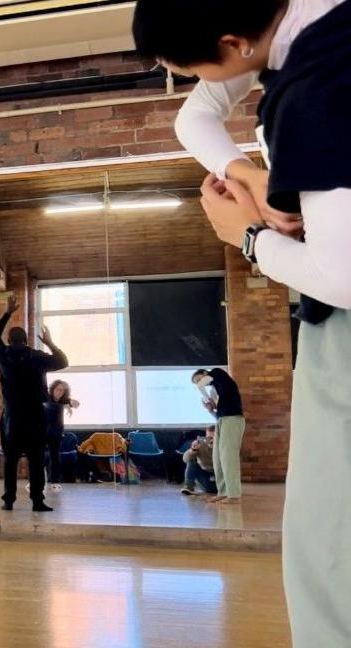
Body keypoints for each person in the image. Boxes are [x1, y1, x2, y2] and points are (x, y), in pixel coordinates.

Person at [134, 3, 351, 643]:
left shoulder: (316, 89)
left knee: (326, 547)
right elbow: (195, 115)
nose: (190, 80)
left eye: (187, 66)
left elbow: (342, 277)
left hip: (341, 336)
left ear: (232, 44)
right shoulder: (310, 19)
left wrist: (248, 237)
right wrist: (246, 169)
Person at [0, 295, 69, 511]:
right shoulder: (36, 356)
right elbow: (63, 362)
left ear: (10, 339)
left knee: (11, 460)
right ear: (26, 341)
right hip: (35, 417)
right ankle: (37, 500)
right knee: (35, 459)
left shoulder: (3, 355)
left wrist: (7, 312)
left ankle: (8, 500)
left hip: (12, 418)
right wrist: (50, 343)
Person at [191, 368, 245, 504]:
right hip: (222, 420)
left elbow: (206, 381)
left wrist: (201, 386)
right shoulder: (216, 389)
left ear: (204, 374)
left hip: (233, 419)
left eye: (198, 379)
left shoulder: (217, 373)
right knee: (218, 458)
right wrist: (211, 409)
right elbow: (219, 414)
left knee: (228, 457)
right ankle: (223, 492)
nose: (198, 383)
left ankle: (233, 495)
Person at [43, 380, 80, 492]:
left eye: (62, 390)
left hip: (56, 433)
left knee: (55, 457)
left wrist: (70, 402)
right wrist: (65, 406)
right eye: (58, 389)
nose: (60, 392)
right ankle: (35, 482)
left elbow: (77, 404)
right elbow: (51, 406)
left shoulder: (64, 400)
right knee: (39, 458)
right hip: (42, 432)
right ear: (53, 389)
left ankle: (54, 482)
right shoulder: (46, 398)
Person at [181, 426, 218, 496]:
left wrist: (215, 447)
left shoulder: (222, 445)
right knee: (192, 462)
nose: (210, 438)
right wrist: (193, 450)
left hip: (218, 478)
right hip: (204, 477)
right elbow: (185, 459)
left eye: (213, 436)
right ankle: (188, 486)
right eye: (209, 436)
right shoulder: (200, 444)